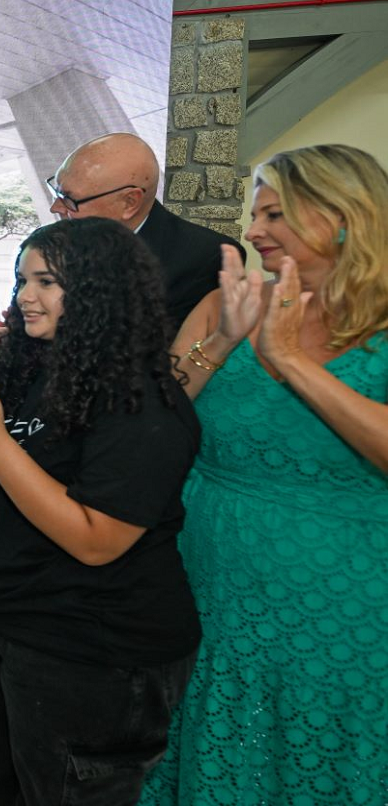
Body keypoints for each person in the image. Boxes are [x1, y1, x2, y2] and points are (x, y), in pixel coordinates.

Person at [140, 144, 388, 806]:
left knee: (315, 746)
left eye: (273, 214)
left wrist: (290, 359)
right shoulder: (235, 301)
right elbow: (158, 414)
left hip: (335, 600)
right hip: (207, 581)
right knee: (208, 737)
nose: (251, 233)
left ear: (343, 216)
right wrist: (221, 340)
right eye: (255, 216)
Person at [0, 217, 201, 805]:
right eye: (23, 279)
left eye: (47, 282)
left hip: (91, 645)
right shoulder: (38, 368)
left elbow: (96, 540)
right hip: (12, 618)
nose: (25, 296)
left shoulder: (140, 401)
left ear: (101, 289)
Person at [48, 133, 243, 330]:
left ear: (129, 203)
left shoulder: (203, 259)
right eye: (56, 192)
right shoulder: (61, 245)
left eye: (68, 199)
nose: (55, 208)